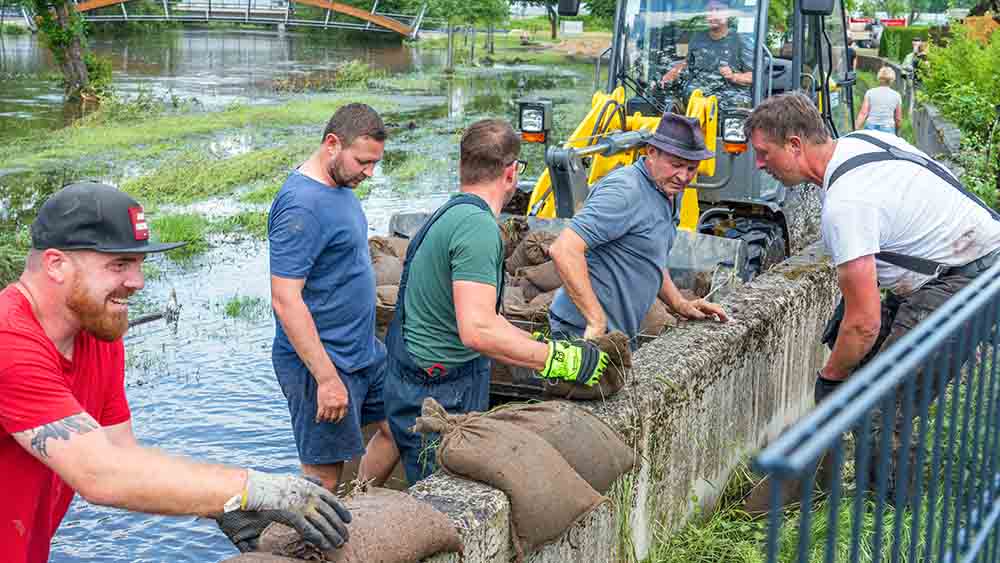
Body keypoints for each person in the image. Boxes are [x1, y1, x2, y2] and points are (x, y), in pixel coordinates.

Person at [0, 182, 351, 563]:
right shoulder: (9, 341)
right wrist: (262, 489)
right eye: (118, 264)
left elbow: (122, 457)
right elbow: (99, 475)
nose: (137, 282)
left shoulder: (99, 335)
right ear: (55, 264)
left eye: (138, 264)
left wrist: (222, 504)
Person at [745, 92, 1000, 495]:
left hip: (965, 278)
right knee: (865, 372)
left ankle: (897, 506)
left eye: (764, 152)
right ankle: (864, 480)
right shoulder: (862, 142)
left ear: (794, 144)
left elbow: (864, 324)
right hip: (967, 261)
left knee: (879, 406)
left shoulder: (847, 203)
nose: (759, 163)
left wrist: (831, 376)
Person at [383, 119, 611, 485]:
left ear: (462, 166)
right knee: (444, 500)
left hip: (414, 379)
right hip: (439, 393)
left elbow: (487, 317)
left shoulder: (448, 214)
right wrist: (561, 360)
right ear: (511, 173)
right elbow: (477, 331)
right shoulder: (477, 229)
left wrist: (535, 347)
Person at [269, 103, 398, 492]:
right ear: (331, 144)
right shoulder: (301, 206)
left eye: (375, 163)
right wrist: (326, 379)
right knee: (323, 475)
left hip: (362, 352)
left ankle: (358, 510)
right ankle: (313, 546)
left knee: (399, 428)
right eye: (362, 161)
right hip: (323, 362)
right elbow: (285, 300)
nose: (369, 172)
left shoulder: (340, 188)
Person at [547, 113, 729, 343]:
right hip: (581, 332)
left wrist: (679, 302)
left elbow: (650, 254)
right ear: (651, 153)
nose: (683, 176)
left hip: (618, 334)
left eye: (691, 168)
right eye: (676, 165)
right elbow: (564, 250)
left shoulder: (670, 191)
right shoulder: (625, 191)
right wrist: (595, 320)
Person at [660, 0, 753, 103]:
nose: (712, 14)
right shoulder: (697, 38)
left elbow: (754, 77)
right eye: (709, 10)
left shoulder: (741, 41)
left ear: (728, 14)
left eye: (718, 10)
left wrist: (733, 77)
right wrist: (673, 72)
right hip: (696, 101)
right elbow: (687, 63)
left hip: (728, 106)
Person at [854, 66, 902, 134]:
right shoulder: (897, 95)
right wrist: (897, 133)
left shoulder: (870, 92)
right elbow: (898, 118)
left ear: (879, 78)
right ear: (892, 80)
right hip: (888, 128)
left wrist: (856, 128)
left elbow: (863, 113)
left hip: (870, 127)